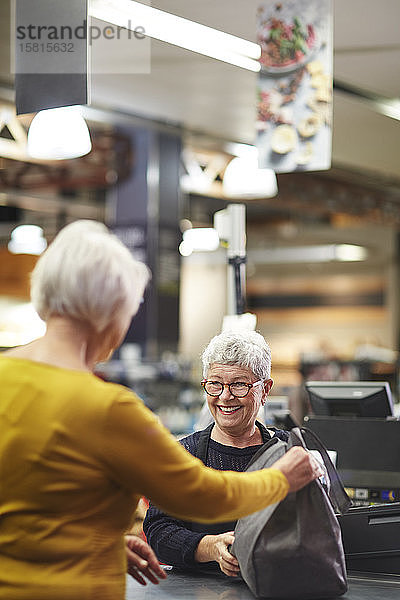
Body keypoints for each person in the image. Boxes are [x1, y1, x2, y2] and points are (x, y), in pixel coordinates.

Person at [0, 220, 322, 600]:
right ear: (109, 310)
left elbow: (30, 511)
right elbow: (201, 494)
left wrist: (97, 543)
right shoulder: (108, 408)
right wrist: (282, 477)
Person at [144, 331, 289, 577]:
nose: (225, 396)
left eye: (239, 385)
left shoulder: (288, 452)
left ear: (265, 390)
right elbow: (159, 531)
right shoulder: (183, 455)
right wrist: (209, 547)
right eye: (215, 384)